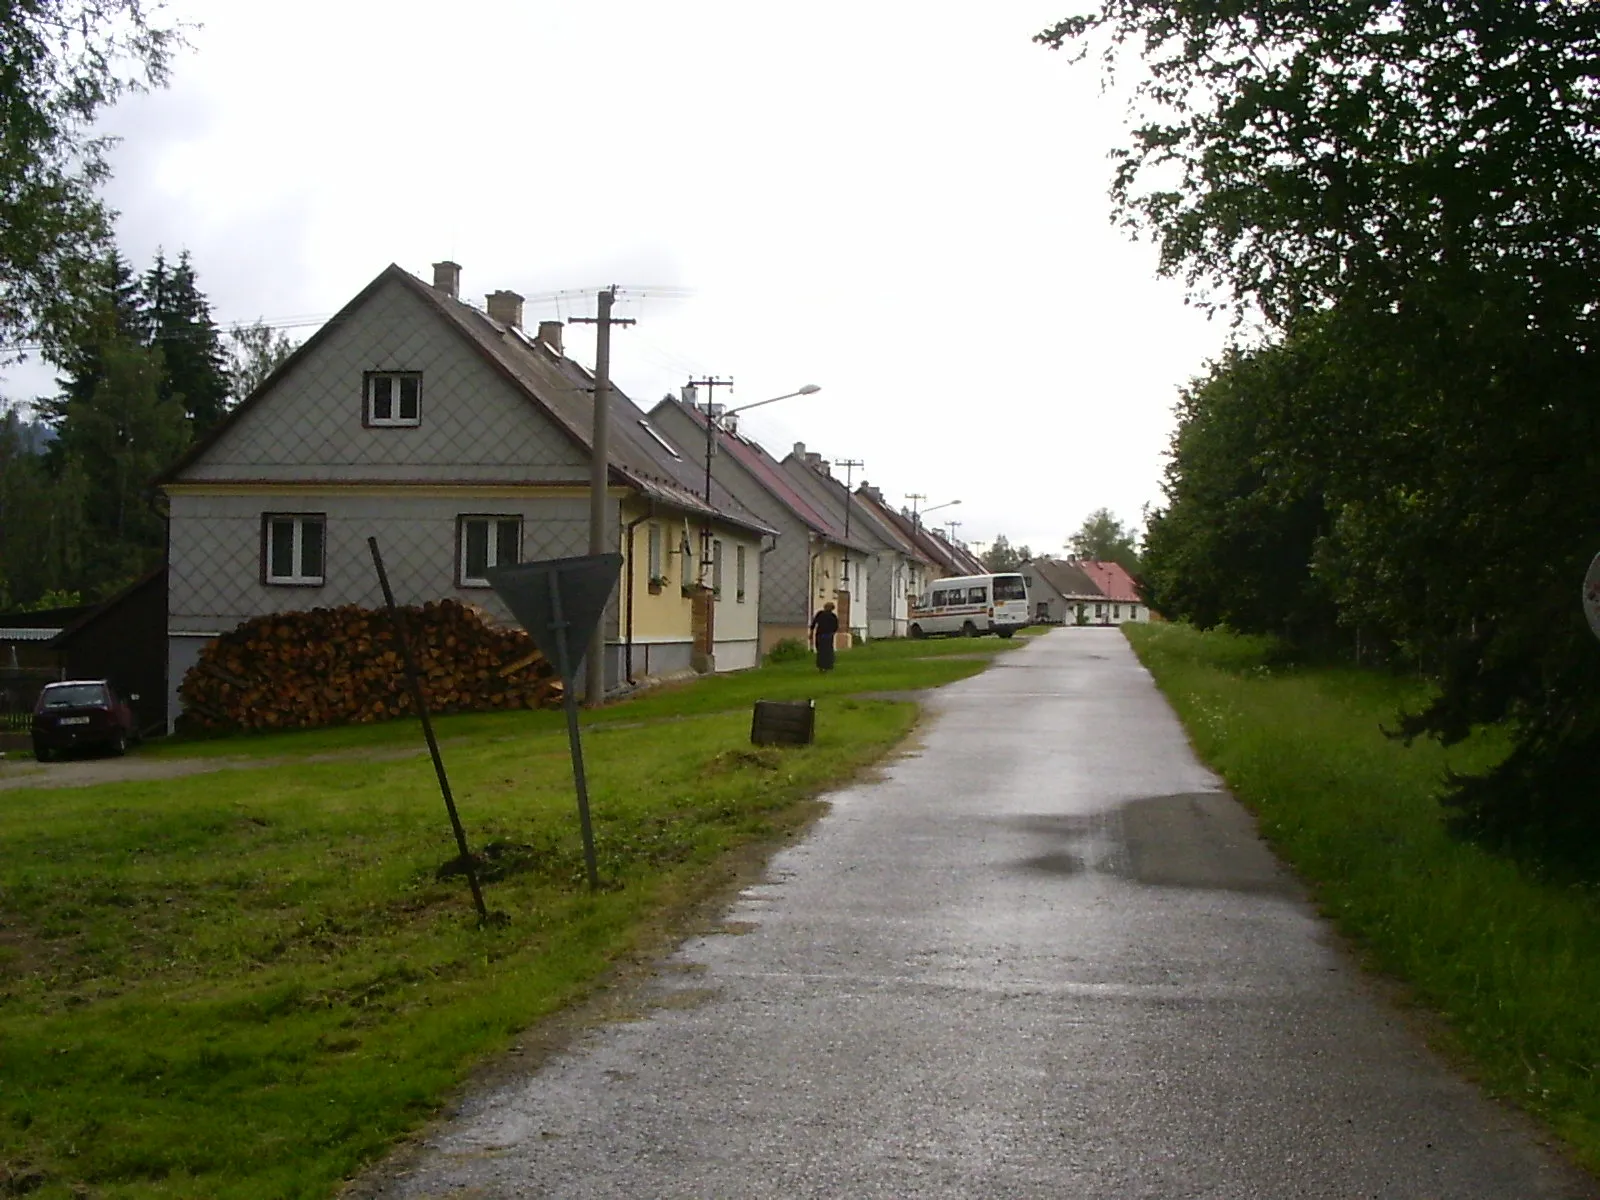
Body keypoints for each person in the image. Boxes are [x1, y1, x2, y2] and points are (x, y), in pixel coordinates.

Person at [809, 601, 840, 672]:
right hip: (827, 635)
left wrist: (811, 633)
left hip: (821, 635)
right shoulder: (833, 616)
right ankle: (827, 666)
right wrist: (832, 633)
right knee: (828, 651)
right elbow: (836, 627)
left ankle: (822, 666)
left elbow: (813, 624)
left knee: (821, 651)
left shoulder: (820, 614)